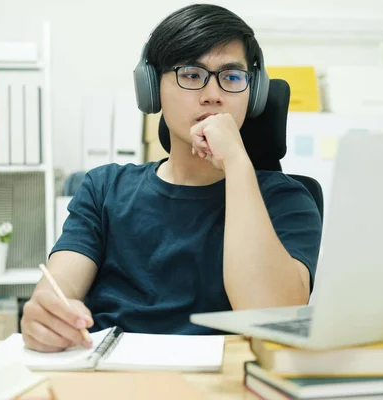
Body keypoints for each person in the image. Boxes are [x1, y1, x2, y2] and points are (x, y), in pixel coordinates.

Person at [20, 3, 322, 353]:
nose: (213, 94)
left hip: (223, 382)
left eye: (232, 77)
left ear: (253, 94)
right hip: (111, 376)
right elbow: (57, 290)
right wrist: (45, 317)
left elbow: (272, 319)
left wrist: (238, 162)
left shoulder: (288, 199)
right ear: (152, 89)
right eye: (192, 75)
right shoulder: (104, 189)